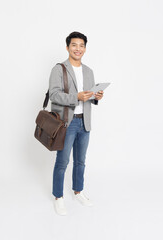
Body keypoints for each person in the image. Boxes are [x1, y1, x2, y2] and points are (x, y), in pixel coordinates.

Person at [48, 31, 104, 215]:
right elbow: (54, 95)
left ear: (85, 49)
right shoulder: (59, 69)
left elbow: (89, 97)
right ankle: (58, 197)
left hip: (84, 123)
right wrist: (76, 97)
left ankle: (78, 191)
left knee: (81, 161)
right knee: (62, 162)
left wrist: (96, 96)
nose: (78, 49)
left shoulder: (89, 71)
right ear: (67, 47)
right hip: (66, 123)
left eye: (81, 45)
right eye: (74, 45)